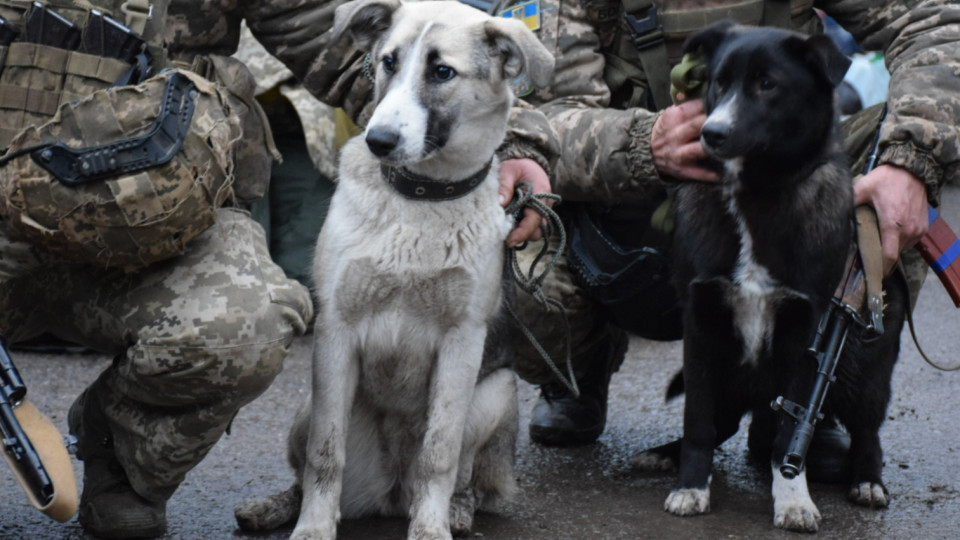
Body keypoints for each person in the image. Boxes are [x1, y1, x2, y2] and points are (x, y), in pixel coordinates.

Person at [0, 1, 557, 538]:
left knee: (246, 323)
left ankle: (118, 459)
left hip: (157, 223)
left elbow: (354, 48)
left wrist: (517, 141)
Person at [506, 0, 960, 447]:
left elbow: (938, 27)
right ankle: (576, 371)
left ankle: (809, 396)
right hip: (625, 233)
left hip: (791, 214)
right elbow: (525, 118)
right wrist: (643, 145)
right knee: (515, 251)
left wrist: (910, 161)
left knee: (904, 158)